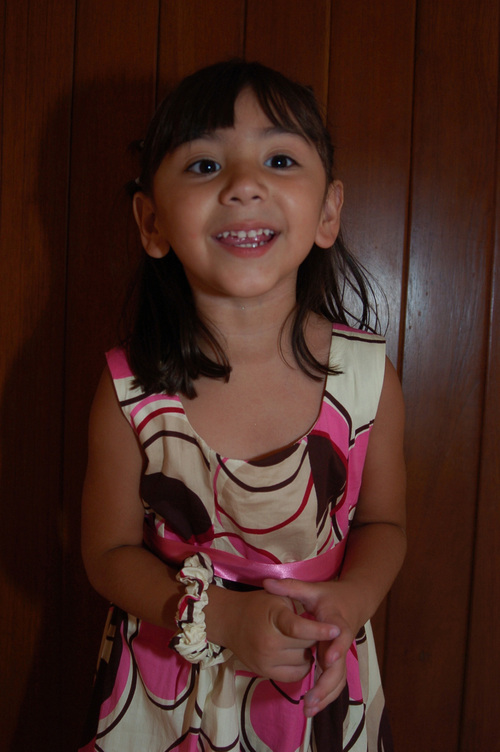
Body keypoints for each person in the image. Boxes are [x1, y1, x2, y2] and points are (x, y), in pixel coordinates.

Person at [79, 60, 406, 752]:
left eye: (279, 159)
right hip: (166, 686)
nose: (244, 184)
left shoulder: (365, 378)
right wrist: (219, 619)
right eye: (204, 166)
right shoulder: (128, 390)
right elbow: (107, 553)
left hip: (316, 681)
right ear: (151, 221)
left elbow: (385, 523)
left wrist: (354, 598)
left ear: (328, 212)